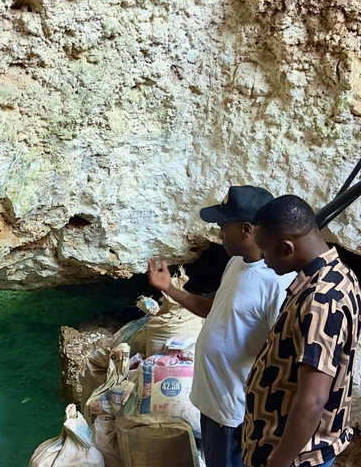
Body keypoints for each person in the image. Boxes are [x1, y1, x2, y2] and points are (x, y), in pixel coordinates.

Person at [148, 185, 294, 467]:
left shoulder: (278, 283)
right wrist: (169, 288)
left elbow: (284, 357)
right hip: (212, 405)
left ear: (247, 229)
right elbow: (215, 310)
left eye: (224, 225)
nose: (219, 232)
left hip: (236, 413)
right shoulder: (236, 263)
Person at [243, 195, 361, 467]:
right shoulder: (338, 275)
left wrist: (278, 463)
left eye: (263, 249)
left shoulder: (321, 299)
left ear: (286, 248)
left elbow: (312, 400)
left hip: (295, 457)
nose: (261, 256)